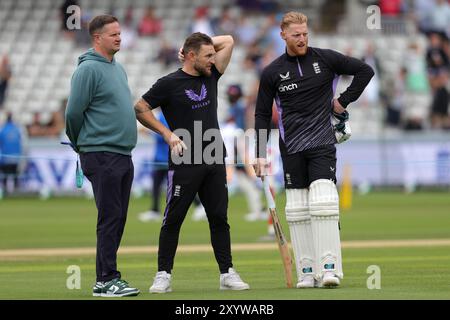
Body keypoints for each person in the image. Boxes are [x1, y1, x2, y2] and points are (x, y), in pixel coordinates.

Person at [254, 12, 374, 289]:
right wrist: (260, 153)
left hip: (321, 143)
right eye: (296, 34)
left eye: (305, 34)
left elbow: (365, 71)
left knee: (323, 202)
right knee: (296, 208)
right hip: (291, 147)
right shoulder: (272, 71)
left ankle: (330, 268)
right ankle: (306, 271)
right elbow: (262, 114)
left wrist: (343, 101)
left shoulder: (325, 59)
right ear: (282, 34)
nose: (302, 39)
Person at [134, 32, 249, 293]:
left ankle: (227, 273)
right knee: (173, 220)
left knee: (219, 217)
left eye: (212, 54)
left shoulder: (212, 75)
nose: (213, 59)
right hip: (184, 159)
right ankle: (163, 274)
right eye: (207, 55)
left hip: (214, 157)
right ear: (191, 56)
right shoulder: (168, 83)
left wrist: (193, 46)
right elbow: (140, 108)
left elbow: (229, 40)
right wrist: (166, 134)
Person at [65, 14, 139, 297]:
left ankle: (107, 278)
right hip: (101, 153)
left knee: (117, 217)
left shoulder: (117, 69)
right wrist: (78, 142)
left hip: (121, 153)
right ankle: (106, 279)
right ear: (97, 38)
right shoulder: (88, 70)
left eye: (120, 33)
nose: (119, 37)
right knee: (110, 216)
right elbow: (73, 113)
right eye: (113, 34)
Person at [0, 113, 22, 195]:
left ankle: (5, 192)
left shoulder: (3, 129)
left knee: (5, 177)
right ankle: (16, 192)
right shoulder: (16, 129)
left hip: (6, 158)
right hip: (16, 158)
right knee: (14, 176)